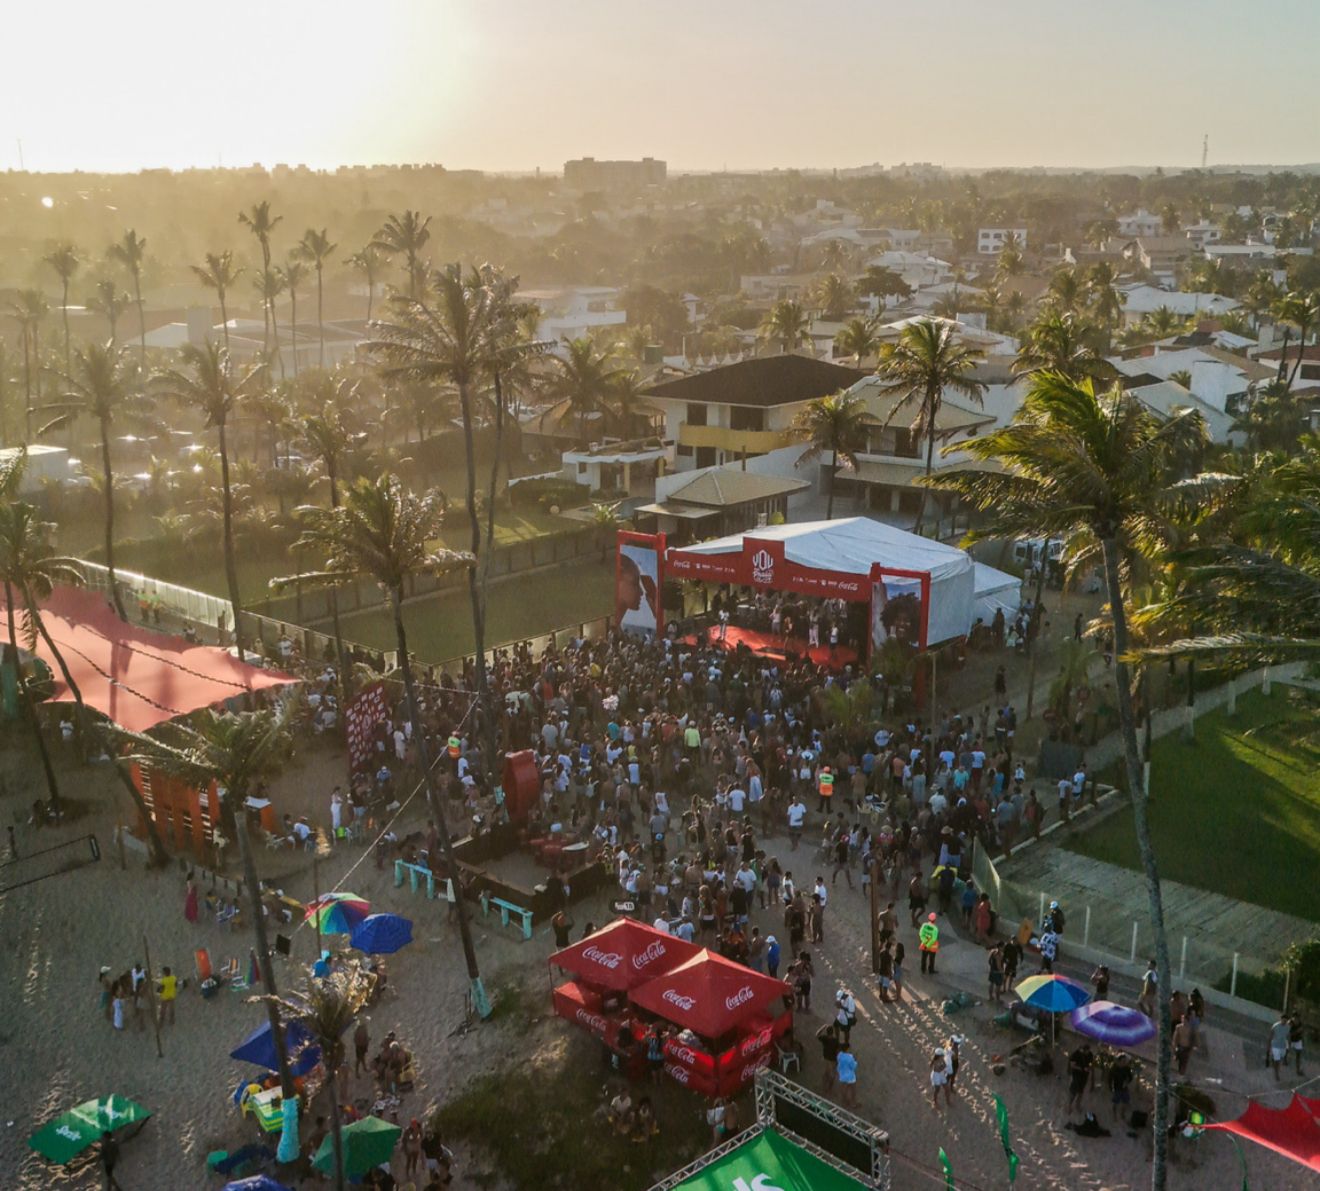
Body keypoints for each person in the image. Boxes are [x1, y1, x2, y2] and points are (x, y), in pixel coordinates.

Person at [1066, 1042, 1094, 1120]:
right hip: (1077, 1076)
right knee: (1073, 1092)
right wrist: (1081, 1068)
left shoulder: (1090, 1054)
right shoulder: (1076, 1054)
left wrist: (1089, 1068)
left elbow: (1091, 1064)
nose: (1088, 1052)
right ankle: (1069, 1106)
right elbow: (1072, 1065)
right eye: (1087, 1051)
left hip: (1084, 1076)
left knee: (1081, 1092)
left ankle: (1077, 1105)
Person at [1108, 1052, 1134, 1122]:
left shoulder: (1127, 1068)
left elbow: (1130, 1077)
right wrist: (1111, 1089)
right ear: (1119, 1061)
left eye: (1125, 1061)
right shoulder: (1114, 1069)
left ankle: (1122, 1114)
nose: (1124, 1063)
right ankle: (1114, 1115)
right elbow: (1109, 1080)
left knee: (1125, 1102)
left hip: (1124, 1088)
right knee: (1115, 1103)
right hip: (1117, 1088)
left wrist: (1127, 1082)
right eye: (1123, 1061)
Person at [816, 1022, 839, 1093]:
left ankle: (823, 1085)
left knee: (827, 1071)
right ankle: (829, 1088)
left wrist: (823, 1027)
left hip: (826, 1057)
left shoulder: (824, 1038)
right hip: (832, 1059)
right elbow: (837, 1051)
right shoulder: (835, 1041)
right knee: (832, 1074)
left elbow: (817, 1034)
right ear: (832, 1033)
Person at [1269, 1015, 1292, 1081]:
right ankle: (1276, 1074)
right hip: (1275, 1045)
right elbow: (1271, 1035)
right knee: (1277, 1061)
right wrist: (1269, 1045)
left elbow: (1288, 1037)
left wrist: (1289, 1046)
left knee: (1281, 1057)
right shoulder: (1275, 1026)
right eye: (1283, 1020)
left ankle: (1274, 1060)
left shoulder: (1288, 1028)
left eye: (1286, 1020)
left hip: (1283, 1046)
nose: (1284, 1021)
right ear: (1281, 1019)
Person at [836, 1041, 858, 1108]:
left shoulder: (839, 1055)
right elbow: (853, 1067)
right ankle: (852, 1103)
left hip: (842, 1074)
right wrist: (855, 1060)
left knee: (844, 1088)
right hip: (850, 1076)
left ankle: (844, 1102)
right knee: (852, 1090)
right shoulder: (850, 1057)